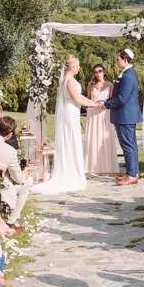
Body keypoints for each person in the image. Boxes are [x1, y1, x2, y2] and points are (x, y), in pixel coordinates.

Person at [35, 54, 100, 195]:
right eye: (77, 66)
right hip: (70, 113)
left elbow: (80, 97)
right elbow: (76, 98)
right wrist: (93, 104)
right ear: (71, 67)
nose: (79, 68)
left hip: (72, 111)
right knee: (72, 140)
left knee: (73, 140)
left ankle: (73, 170)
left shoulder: (69, 80)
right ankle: (71, 173)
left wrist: (93, 103)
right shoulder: (69, 81)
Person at [0, 116, 33, 223]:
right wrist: (24, 175)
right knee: (26, 183)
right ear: (9, 135)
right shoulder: (10, 151)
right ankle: (11, 222)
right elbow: (18, 179)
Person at [104, 48, 143, 185]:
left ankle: (132, 175)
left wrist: (105, 104)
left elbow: (121, 98)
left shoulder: (128, 75)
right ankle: (132, 172)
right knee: (129, 144)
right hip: (125, 115)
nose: (116, 61)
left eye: (118, 59)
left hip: (125, 116)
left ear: (125, 60)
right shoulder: (128, 73)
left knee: (127, 144)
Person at [83, 62, 119, 176]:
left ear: (104, 72)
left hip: (105, 114)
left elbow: (112, 100)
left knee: (104, 138)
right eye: (95, 71)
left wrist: (104, 104)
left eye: (100, 71)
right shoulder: (91, 85)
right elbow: (87, 99)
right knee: (93, 138)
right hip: (93, 114)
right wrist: (92, 105)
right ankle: (92, 166)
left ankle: (106, 165)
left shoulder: (110, 85)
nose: (98, 73)